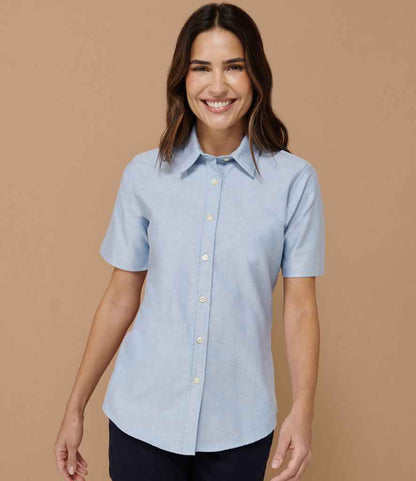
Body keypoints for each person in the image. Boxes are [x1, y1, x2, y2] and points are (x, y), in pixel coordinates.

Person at [53, 3, 325, 481]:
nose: (217, 86)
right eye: (201, 68)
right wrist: (75, 407)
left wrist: (302, 410)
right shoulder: (144, 175)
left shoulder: (294, 181)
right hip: (142, 419)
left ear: (256, 77)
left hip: (240, 426)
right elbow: (120, 296)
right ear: (182, 78)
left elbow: (300, 308)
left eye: (233, 67)